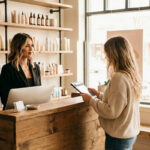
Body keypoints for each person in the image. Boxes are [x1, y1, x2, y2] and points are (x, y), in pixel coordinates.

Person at [81, 36, 142, 150]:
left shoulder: (119, 78)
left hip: (118, 137)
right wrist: (99, 95)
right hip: (128, 134)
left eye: (107, 54)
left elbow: (112, 111)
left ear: (114, 55)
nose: (106, 58)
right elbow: (121, 102)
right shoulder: (130, 75)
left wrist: (91, 100)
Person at [0, 33, 41, 109]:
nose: (31, 49)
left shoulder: (36, 67)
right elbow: (4, 99)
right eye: (27, 46)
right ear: (18, 48)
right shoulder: (7, 69)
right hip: (15, 113)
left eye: (32, 45)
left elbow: (39, 92)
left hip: (33, 111)